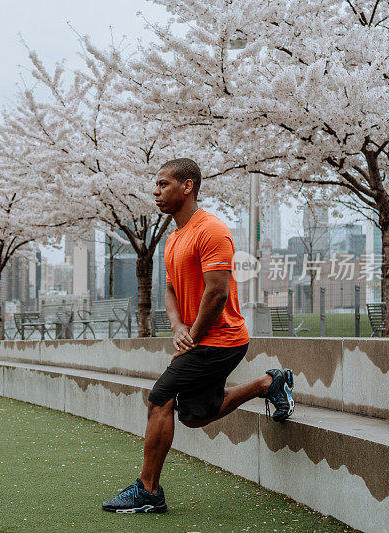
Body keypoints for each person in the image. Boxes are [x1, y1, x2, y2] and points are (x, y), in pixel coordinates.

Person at [102, 158, 295, 514]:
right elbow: (171, 291)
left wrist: (190, 339)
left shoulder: (212, 230)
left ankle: (148, 491)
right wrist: (177, 328)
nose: (155, 192)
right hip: (198, 338)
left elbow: (217, 293)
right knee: (193, 415)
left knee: (160, 397)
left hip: (223, 339)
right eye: (156, 186)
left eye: (163, 185)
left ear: (187, 186)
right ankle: (267, 384)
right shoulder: (173, 240)